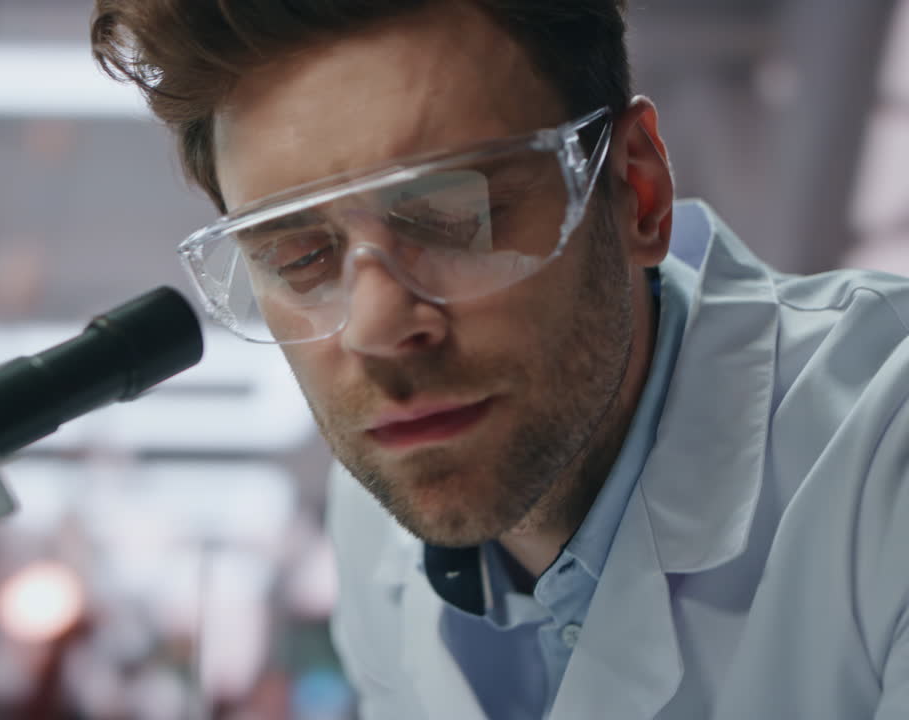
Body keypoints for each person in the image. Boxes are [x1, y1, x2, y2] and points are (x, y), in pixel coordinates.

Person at [90, 1, 909, 717]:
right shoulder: (375, 516)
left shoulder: (884, 457)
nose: (376, 327)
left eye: (456, 215)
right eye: (300, 257)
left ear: (636, 191)